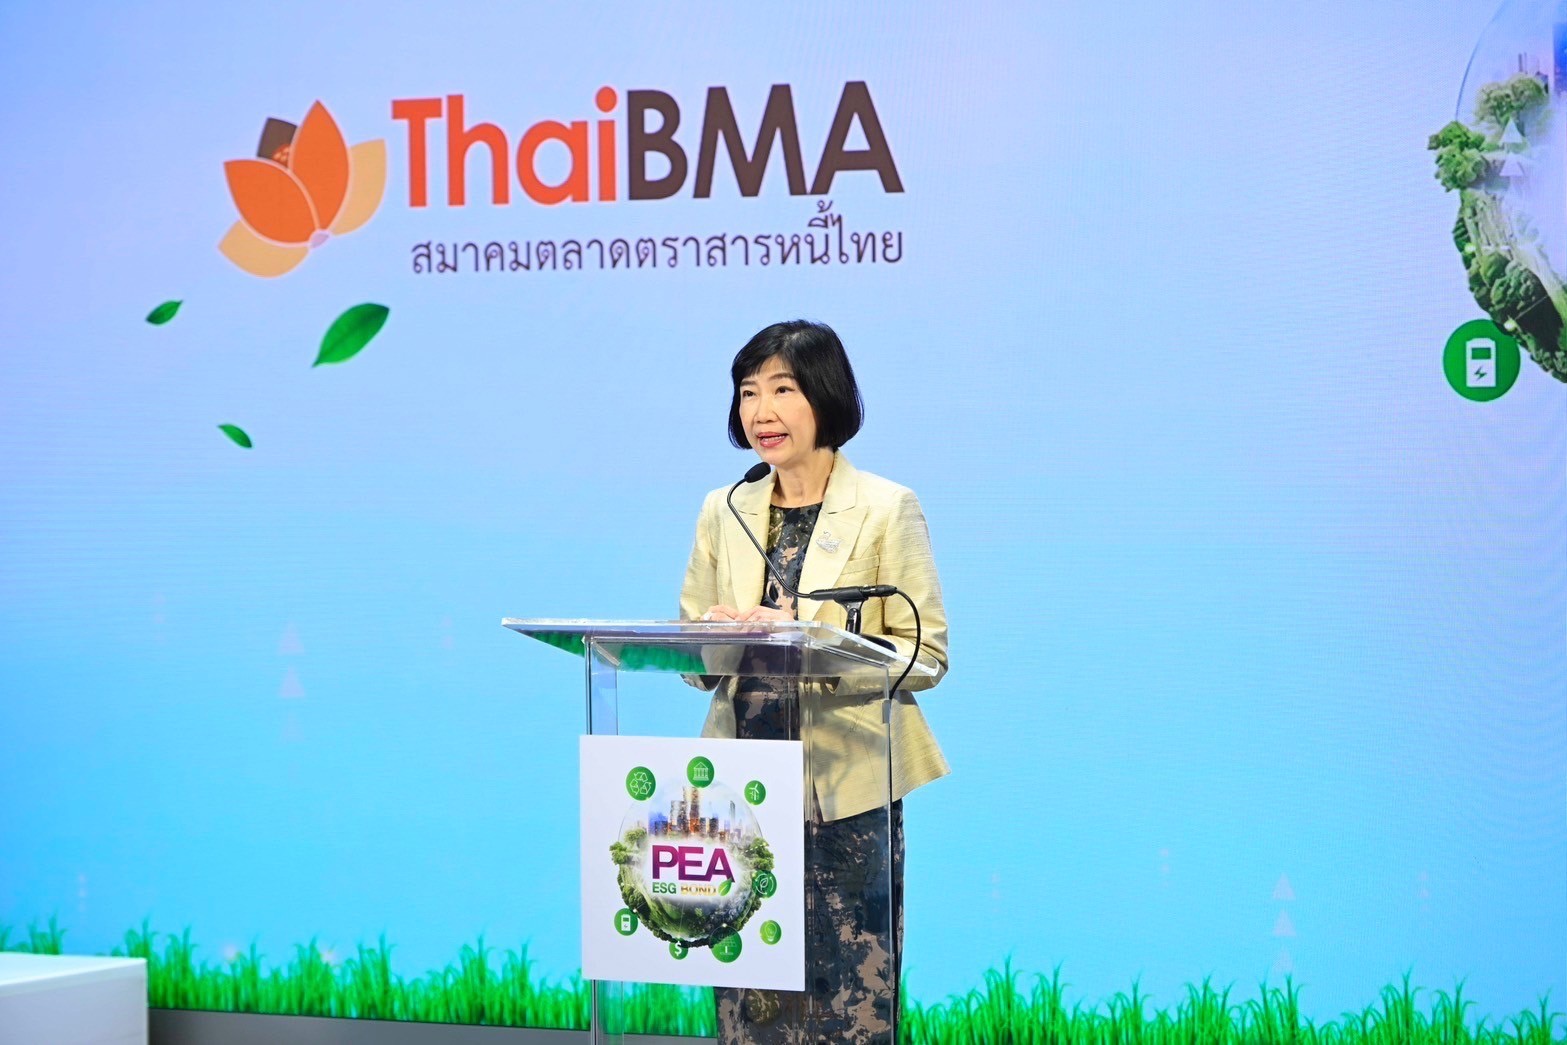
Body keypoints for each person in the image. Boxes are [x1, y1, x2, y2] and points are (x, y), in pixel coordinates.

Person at [679, 320, 950, 1044]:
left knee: (845, 1005)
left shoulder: (887, 506)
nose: (760, 411)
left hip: (846, 791)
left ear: (824, 396)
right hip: (740, 793)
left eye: (781, 390)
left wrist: (812, 639)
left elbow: (925, 656)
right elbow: (691, 655)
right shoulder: (724, 508)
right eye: (747, 393)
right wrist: (717, 638)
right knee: (751, 1003)